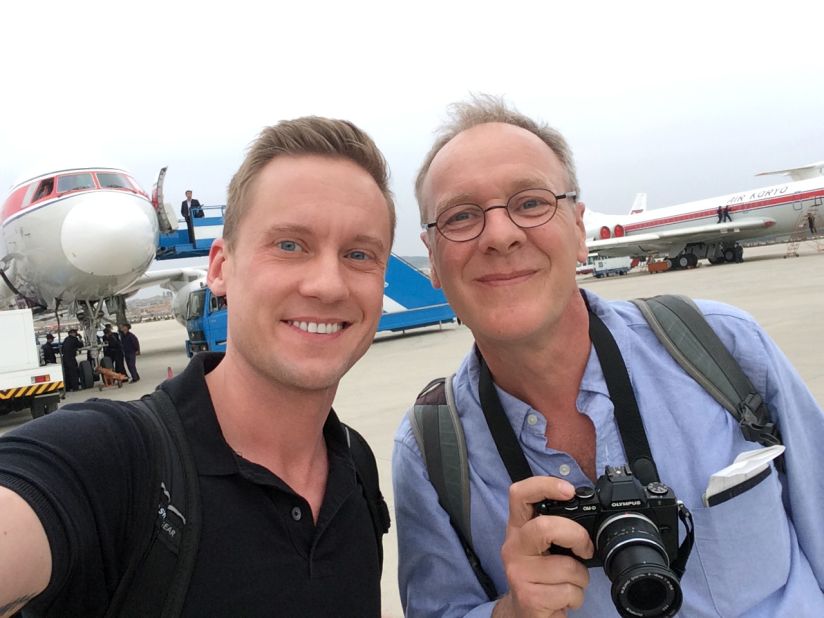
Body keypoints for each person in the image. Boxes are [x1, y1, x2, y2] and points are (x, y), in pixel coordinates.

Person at [392, 95, 824, 617]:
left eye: (530, 203)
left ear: (578, 230)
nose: (501, 235)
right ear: (433, 260)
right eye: (461, 216)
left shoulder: (725, 348)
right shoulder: (430, 453)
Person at [0, 115, 395, 616]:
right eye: (289, 245)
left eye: (359, 254)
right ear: (219, 268)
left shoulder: (356, 466)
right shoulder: (113, 460)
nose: (328, 285)